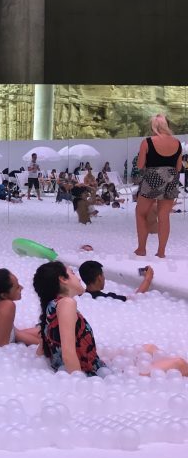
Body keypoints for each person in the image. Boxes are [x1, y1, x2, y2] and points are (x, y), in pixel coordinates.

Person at [33, 261, 188, 377]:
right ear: (63, 279)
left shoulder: (50, 306)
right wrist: (80, 386)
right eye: (73, 273)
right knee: (179, 364)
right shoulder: (67, 303)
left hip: (96, 367)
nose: (78, 278)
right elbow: (68, 353)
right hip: (96, 377)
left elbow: (43, 349)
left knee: (149, 348)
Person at [135, 114, 182, 258]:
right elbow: (179, 166)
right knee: (164, 215)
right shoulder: (177, 142)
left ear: (154, 126)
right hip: (172, 178)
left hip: (153, 179)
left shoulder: (147, 142)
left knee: (141, 213)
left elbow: (140, 165)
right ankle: (161, 252)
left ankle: (142, 249)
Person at [78, 260, 152, 301]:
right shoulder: (108, 299)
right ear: (99, 278)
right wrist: (148, 278)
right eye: (103, 275)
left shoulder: (79, 296)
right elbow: (135, 298)